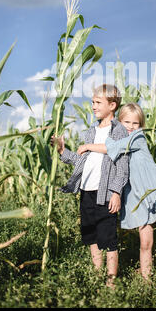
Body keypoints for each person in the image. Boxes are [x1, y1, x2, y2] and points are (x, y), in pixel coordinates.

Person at [77, 102, 156, 284]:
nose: (131, 127)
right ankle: (146, 282)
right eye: (126, 122)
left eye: (136, 123)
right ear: (119, 122)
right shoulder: (117, 138)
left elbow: (110, 148)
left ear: (141, 126)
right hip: (137, 197)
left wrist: (88, 146)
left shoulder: (137, 138)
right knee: (145, 242)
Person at [52, 84, 129, 289]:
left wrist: (116, 192)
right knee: (91, 236)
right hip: (86, 191)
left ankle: (111, 283)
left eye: (98, 102)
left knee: (108, 238)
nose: (93, 106)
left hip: (104, 194)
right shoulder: (90, 131)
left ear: (112, 105)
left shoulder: (118, 130)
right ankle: (97, 276)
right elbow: (80, 161)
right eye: (93, 102)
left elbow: (122, 165)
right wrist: (62, 151)